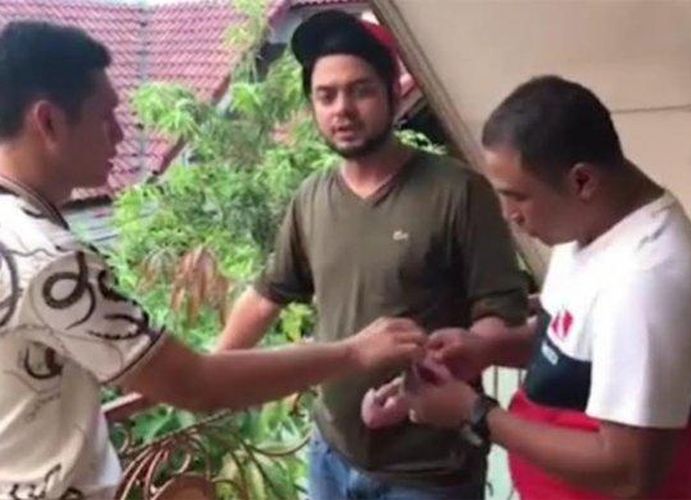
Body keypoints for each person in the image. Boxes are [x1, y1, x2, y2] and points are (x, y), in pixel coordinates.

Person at [0, 21, 427, 500]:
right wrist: (355, 352)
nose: (121, 135)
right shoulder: (47, 260)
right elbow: (196, 383)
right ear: (49, 122)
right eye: (106, 117)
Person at [216, 9, 528, 500]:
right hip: (331, 454)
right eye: (326, 96)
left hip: (428, 470)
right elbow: (265, 297)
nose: (342, 109)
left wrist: (439, 372)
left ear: (391, 92)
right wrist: (209, 373)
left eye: (359, 91)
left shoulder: (458, 191)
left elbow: (501, 318)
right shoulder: (311, 197)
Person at [407, 75, 691, 499]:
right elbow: (570, 347)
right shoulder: (586, 227)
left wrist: (476, 412)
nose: (509, 214)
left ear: (582, 181)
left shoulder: (645, 283)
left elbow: (629, 473)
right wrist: (487, 349)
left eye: (517, 196)